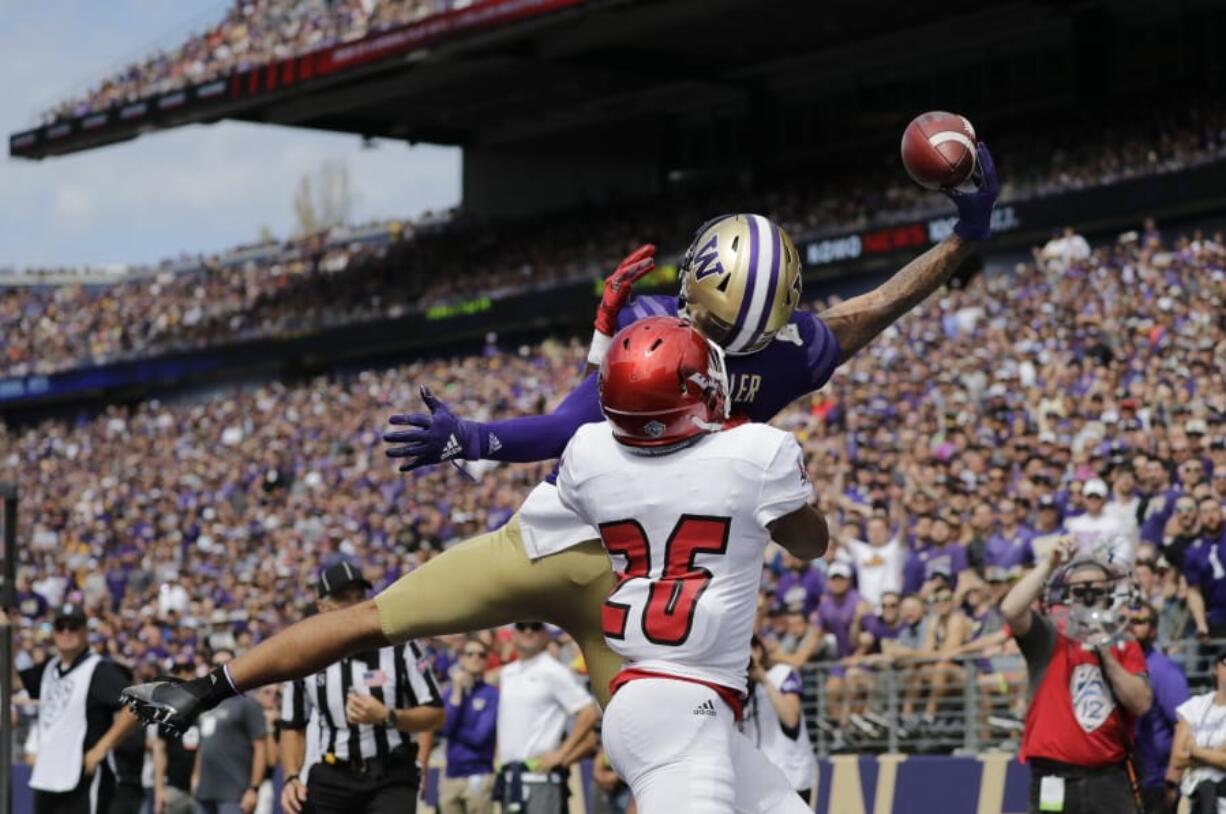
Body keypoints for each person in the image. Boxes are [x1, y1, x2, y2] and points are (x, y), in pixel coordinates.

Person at [122, 148, 1000, 729]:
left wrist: (473, 435)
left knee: (371, 621)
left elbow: (568, 426)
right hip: (648, 592)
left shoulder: (662, 323)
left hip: (548, 543)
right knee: (684, 758)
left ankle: (206, 686)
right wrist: (967, 228)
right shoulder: (793, 354)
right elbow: (881, 302)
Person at [553, 317, 828, 812]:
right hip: (684, 705)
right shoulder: (753, 456)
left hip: (659, 702)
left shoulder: (589, 456)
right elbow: (811, 543)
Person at [1000, 537, 1152, 814]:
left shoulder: (1124, 642)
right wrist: (1050, 564)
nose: (1089, 596)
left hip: (1108, 776)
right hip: (1054, 775)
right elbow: (1011, 609)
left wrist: (1104, 649)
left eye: (1096, 589)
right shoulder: (1049, 635)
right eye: (1080, 590)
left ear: (1109, 594)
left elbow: (1140, 703)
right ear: (1069, 595)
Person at [278, 563, 444, 814]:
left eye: (358, 597)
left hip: (390, 773)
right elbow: (292, 725)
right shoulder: (305, 655)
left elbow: (435, 715)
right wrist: (291, 777)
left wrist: (388, 716)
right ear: (321, 607)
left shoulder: (399, 646)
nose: (354, 606)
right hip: (332, 772)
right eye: (342, 599)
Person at [11, 603, 139, 814]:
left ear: (85, 632)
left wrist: (101, 749)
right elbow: (14, 682)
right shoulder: (49, 668)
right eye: (61, 627)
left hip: (82, 778)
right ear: (53, 632)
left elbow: (135, 705)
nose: (67, 632)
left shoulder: (97, 669)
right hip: (49, 776)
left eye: (74, 627)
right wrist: (6, 633)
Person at [494, 622, 599, 814]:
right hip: (510, 779)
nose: (528, 631)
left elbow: (589, 711)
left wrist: (561, 754)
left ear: (545, 634)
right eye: (521, 626)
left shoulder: (552, 670)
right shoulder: (508, 673)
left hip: (541, 780)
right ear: (513, 633)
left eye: (535, 626)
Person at [1130, 603, 1189, 814]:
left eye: (1139, 622)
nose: (1131, 627)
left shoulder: (1163, 670)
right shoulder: (1118, 667)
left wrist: (1172, 781)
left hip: (1155, 783)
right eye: (1126, 622)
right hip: (1123, 782)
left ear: (1154, 630)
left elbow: (1184, 725)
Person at [743, 637, 817, 804]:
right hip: (757, 780)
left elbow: (791, 719)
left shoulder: (782, 674)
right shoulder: (741, 688)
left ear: (758, 650)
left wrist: (763, 679)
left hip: (790, 777)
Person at [193, 649, 267, 814]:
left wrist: (254, 788)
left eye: (225, 664)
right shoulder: (205, 704)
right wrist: (195, 777)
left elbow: (261, 747)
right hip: (205, 792)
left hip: (234, 794)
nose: (219, 669)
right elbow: (202, 746)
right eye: (216, 665)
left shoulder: (247, 703)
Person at [438, 637, 498, 814]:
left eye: (481, 654)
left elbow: (480, 737)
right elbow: (442, 730)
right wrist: (457, 694)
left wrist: (453, 729)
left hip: (480, 774)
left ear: (487, 660)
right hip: (451, 775)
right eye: (470, 654)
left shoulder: (492, 695)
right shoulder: (450, 692)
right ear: (461, 658)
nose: (475, 658)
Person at [1171, 651, 1226, 814]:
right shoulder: (1195, 706)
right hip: (1196, 798)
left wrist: (1194, 750)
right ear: (1214, 669)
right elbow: (1178, 759)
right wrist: (1215, 755)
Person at [152, 662, 201, 814]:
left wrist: (197, 775)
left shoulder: (205, 710)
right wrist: (159, 790)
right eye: (178, 671)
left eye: (187, 670)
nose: (184, 675)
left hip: (202, 788)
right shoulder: (167, 713)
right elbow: (160, 752)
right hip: (173, 787)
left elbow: (204, 748)